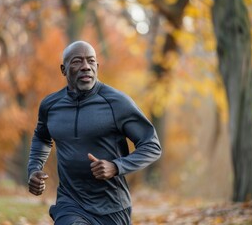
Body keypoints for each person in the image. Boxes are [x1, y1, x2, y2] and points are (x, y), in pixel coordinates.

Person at [27, 40, 162, 225]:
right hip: (70, 203)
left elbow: (152, 145)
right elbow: (42, 138)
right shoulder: (51, 105)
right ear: (63, 69)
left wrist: (116, 166)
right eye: (77, 61)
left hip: (112, 207)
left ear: (97, 67)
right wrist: (34, 169)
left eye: (91, 61)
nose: (85, 67)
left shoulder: (117, 103)